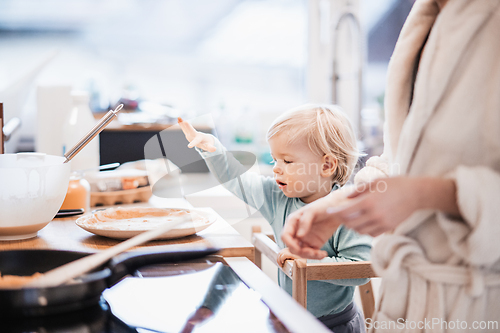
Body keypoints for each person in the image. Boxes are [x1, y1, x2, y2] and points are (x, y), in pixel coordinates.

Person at [282, 0, 500, 331]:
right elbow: (400, 160)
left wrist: (425, 194)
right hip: (407, 303)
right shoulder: (425, 17)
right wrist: (341, 205)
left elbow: (418, 184)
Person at [178, 104, 372, 332]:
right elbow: (237, 180)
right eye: (274, 160)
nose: (276, 170)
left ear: (327, 165)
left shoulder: (348, 211)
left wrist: (304, 263)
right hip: (290, 319)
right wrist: (213, 150)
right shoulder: (277, 197)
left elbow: (359, 270)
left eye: (287, 161)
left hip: (335, 324)